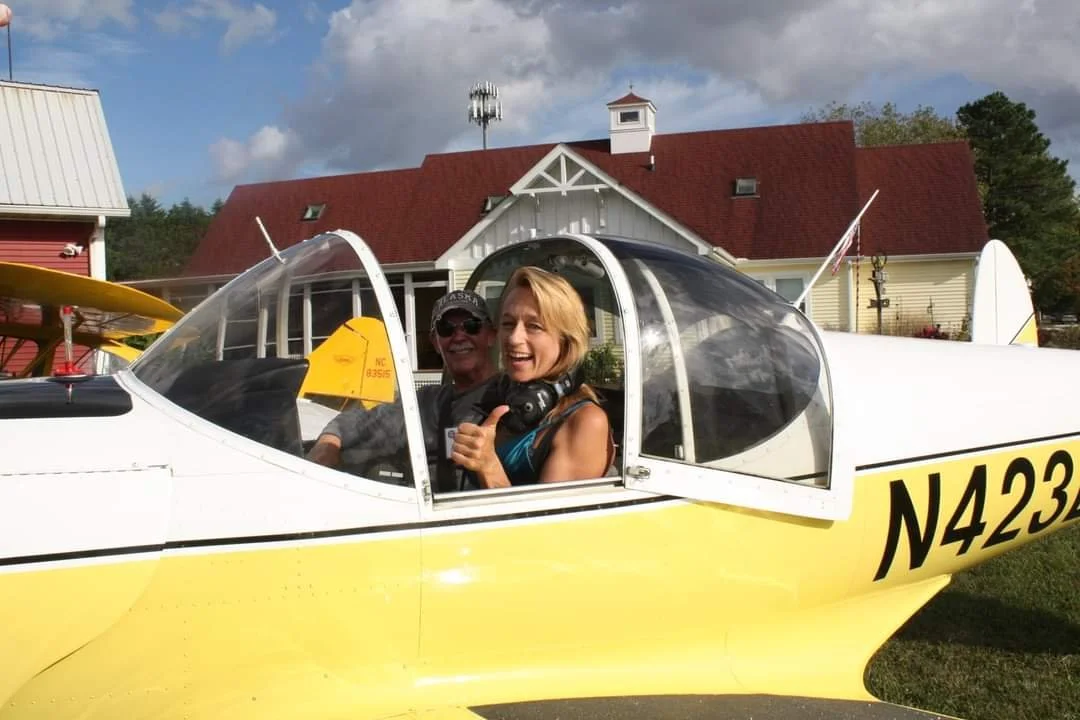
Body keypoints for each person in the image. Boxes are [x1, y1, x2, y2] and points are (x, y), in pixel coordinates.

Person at [306, 289, 499, 492]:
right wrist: (327, 445)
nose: (459, 336)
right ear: (435, 342)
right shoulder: (427, 402)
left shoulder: (511, 394)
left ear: (491, 336)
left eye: (472, 326)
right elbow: (351, 424)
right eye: (446, 328)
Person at [451, 266, 614, 487]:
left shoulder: (585, 422)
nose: (514, 338)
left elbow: (549, 521)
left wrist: (489, 468)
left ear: (565, 340)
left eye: (534, 326)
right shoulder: (501, 395)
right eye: (508, 324)